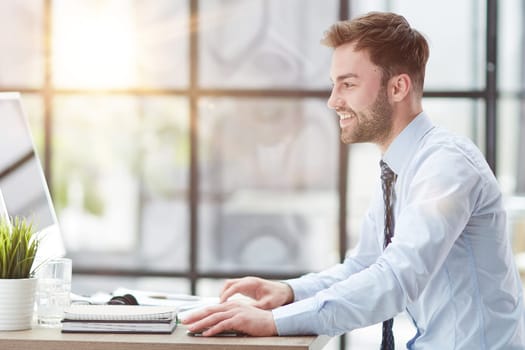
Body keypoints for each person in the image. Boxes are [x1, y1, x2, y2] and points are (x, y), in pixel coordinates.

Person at [182, 11, 525, 349]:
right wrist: (289, 292)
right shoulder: (397, 168)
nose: (333, 101)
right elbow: (365, 266)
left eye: (348, 84)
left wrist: (274, 322)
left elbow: (395, 280)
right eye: (335, 85)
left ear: (398, 87)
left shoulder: (446, 166)